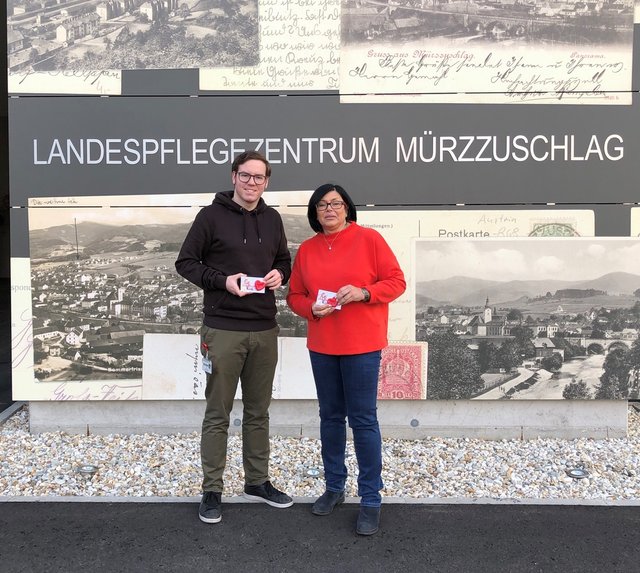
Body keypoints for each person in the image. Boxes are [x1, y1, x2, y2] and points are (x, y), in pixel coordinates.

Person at [175, 150, 293, 524]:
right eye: (246, 176)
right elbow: (186, 262)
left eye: (259, 177)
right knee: (218, 414)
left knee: (258, 413)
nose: (252, 183)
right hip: (223, 328)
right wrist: (223, 281)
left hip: (264, 329)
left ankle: (256, 482)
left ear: (267, 181)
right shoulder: (210, 216)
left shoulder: (272, 219)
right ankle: (212, 489)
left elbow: (284, 261)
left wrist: (279, 275)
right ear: (233, 177)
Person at [286, 183, 406, 536]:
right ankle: (335, 487)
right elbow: (294, 295)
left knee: (364, 420)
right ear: (314, 212)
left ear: (347, 208)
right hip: (323, 344)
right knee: (330, 418)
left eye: (336, 203)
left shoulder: (369, 240)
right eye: (322, 204)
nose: (329, 209)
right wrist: (311, 308)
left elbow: (396, 282)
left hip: (362, 345)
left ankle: (371, 498)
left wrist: (364, 292)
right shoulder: (306, 250)